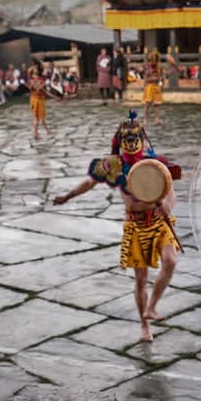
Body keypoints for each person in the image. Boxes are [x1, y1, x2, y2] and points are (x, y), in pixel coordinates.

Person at [52, 111, 179, 342]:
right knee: (141, 279)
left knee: (170, 261)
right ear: (119, 141)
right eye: (126, 139)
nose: (131, 143)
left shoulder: (154, 162)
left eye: (134, 138)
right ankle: (144, 325)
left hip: (158, 221)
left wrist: (167, 207)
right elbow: (89, 183)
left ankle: (152, 306)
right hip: (136, 225)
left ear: (141, 138)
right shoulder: (112, 166)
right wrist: (67, 196)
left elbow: (170, 190)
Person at [141, 49, 169, 128]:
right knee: (147, 104)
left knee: (157, 104)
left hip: (156, 86)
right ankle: (145, 119)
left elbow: (161, 76)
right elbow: (146, 78)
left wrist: (162, 83)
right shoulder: (147, 66)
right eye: (153, 59)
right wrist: (146, 84)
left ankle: (157, 119)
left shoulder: (159, 66)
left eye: (155, 59)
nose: (154, 61)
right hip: (149, 86)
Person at [28, 61, 53, 140]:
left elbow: (44, 91)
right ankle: (35, 134)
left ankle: (47, 130)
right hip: (37, 100)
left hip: (34, 99)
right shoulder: (39, 80)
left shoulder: (32, 79)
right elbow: (41, 90)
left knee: (41, 116)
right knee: (37, 118)